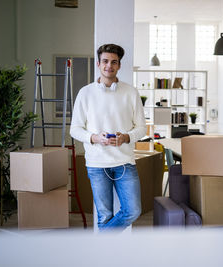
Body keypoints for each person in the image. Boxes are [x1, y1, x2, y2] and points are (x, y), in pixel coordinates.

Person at [70, 44, 146, 231]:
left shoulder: (131, 92)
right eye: (105, 61)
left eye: (114, 62)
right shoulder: (85, 93)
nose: (108, 66)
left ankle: (100, 250)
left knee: (133, 211)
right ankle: (107, 258)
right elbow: (75, 129)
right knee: (104, 216)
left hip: (124, 162)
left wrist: (126, 137)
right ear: (98, 63)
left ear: (119, 65)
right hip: (97, 164)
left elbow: (142, 129)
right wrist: (95, 137)